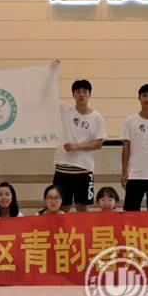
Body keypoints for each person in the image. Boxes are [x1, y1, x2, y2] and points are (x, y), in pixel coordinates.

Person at [53, 79, 107, 212]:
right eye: (78, 92)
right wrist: (51, 73)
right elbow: (48, 96)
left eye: (85, 92)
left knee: (82, 207)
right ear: (73, 94)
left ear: (89, 94)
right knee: (62, 207)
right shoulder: (64, 110)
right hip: (63, 169)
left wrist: (76, 146)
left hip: (84, 170)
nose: (81, 95)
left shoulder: (96, 117)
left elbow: (98, 143)